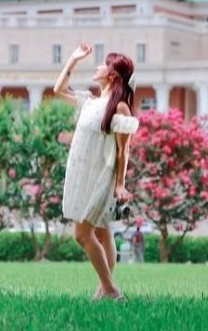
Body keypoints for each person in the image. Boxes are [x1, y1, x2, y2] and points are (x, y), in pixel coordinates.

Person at [54, 43, 140, 302]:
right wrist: (73, 58)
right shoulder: (90, 102)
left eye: (104, 64)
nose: (98, 66)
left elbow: (123, 151)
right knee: (102, 233)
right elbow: (58, 89)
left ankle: (111, 290)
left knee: (82, 235)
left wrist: (119, 185)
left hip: (101, 177)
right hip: (82, 174)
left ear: (113, 75)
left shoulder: (120, 108)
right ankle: (103, 292)